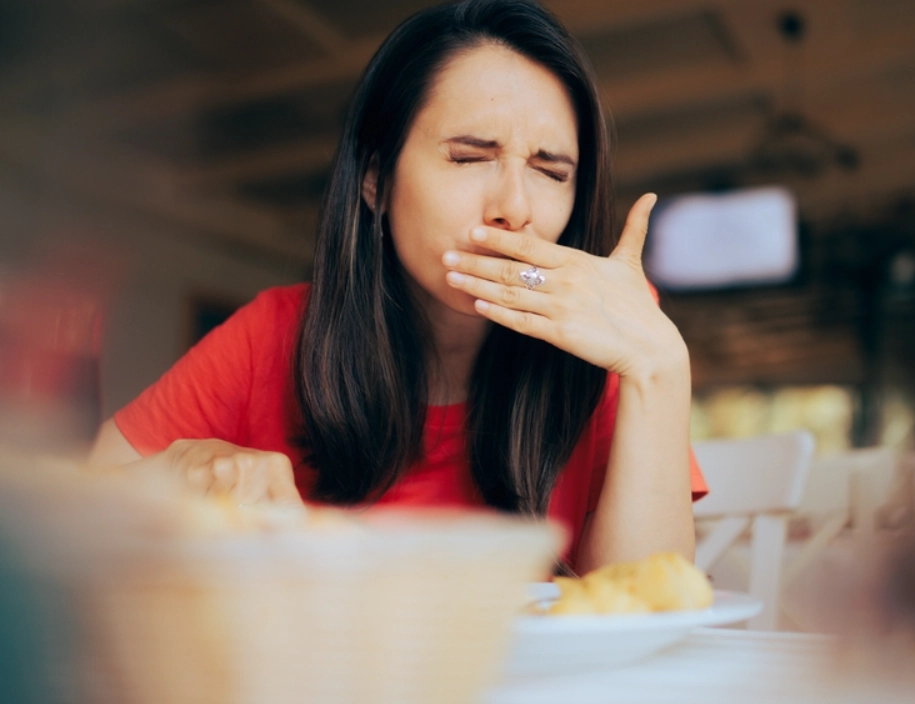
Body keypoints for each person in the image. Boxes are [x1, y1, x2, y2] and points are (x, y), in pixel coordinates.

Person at [88, 0, 705, 573]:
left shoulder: (614, 338)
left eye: (550, 171)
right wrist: (181, 471)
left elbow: (642, 600)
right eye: (469, 157)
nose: (515, 208)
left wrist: (658, 365)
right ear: (376, 181)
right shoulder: (276, 333)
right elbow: (81, 502)